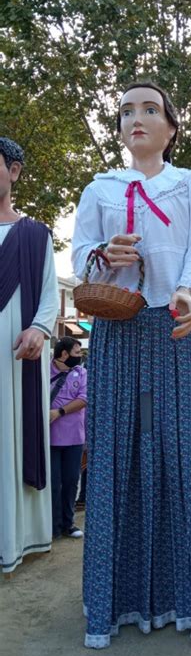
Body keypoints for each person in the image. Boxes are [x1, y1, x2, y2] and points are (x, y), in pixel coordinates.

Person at [72, 81, 191, 648]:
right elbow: (81, 253)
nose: (136, 118)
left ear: (171, 126)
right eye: (126, 111)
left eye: (150, 109)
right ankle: (117, 597)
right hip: (117, 328)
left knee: (181, 452)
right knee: (118, 454)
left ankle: (186, 593)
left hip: (179, 325)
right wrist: (104, 255)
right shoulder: (99, 188)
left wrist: (188, 291)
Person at [0, 138, 58, 575]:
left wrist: (39, 329)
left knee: (14, 441)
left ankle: (17, 540)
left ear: (14, 172)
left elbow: (50, 297)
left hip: (17, 358)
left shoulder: (35, 235)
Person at [50, 337, 87, 539]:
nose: (79, 356)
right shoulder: (43, 372)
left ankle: (68, 522)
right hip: (49, 439)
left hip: (74, 437)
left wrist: (59, 412)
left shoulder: (81, 373)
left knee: (71, 480)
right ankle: (53, 525)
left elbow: (84, 399)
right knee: (53, 483)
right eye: (76, 352)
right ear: (63, 354)